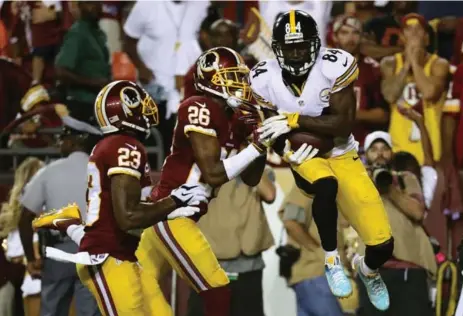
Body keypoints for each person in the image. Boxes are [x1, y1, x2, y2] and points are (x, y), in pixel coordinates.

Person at [136, 46, 314, 316]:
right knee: (216, 289)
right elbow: (214, 174)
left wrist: (258, 133)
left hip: (179, 217)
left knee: (139, 288)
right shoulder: (198, 106)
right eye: (233, 77)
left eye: (242, 77)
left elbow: (252, 178)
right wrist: (255, 145)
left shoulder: (236, 117)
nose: (241, 84)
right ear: (212, 79)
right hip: (172, 215)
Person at [249, 10, 393, 311]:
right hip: (302, 154)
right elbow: (269, 130)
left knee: (383, 245)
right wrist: (285, 148)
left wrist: (293, 119)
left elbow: (342, 125)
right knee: (325, 186)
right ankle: (332, 261)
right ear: (277, 48)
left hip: (343, 153)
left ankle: (366, 270)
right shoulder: (264, 78)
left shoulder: (333, 65)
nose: (297, 52)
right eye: (289, 47)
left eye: (302, 45)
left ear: (316, 43)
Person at [31, 80, 210, 316]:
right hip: (108, 258)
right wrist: (175, 201)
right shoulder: (124, 146)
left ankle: (70, 223)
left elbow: (143, 206)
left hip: (122, 253)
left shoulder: (120, 146)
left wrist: (175, 205)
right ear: (123, 110)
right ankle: (70, 224)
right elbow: (128, 217)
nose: (146, 110)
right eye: (139, 104)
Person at [17, 117, 101, 316]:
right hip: (93, 252)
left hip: (59, 251)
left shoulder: (48, 172)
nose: (59, 142)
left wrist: (30, 258)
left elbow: (24, 218)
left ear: (73, 142)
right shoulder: (101, 173)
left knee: (52, 311)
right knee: (89, 312)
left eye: (64, 138)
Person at [380, 13, 449, 165]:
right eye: (408, 30)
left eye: (418, 30)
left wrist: (415, 64)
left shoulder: (439, 64)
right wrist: (406, 66)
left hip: (431, 149)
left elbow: (429, 92)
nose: (413, 35)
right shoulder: (389, 63)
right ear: (402, 37)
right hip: (398, 148)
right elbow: (390, 95)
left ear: (427, 38)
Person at [331, 15, 389, 148]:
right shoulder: (320, 68)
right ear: (335, 36)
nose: (350, 39)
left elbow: (383, 114)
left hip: (362, 144)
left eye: (355, 33)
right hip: (328, 144)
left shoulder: (373, 69)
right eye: (344, 33)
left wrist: (350, 116)